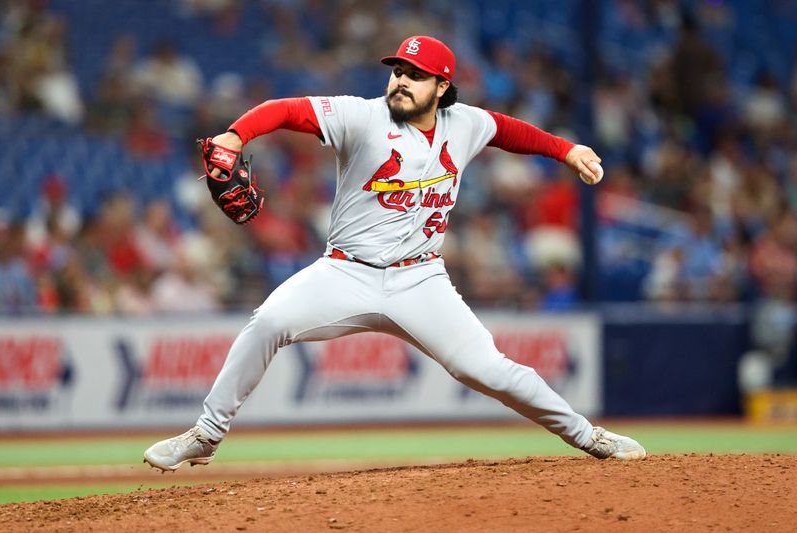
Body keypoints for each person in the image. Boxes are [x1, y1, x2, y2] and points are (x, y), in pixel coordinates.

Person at [143, 35, 645, 471]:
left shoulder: (465, 123)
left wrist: (567, 150)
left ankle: (588, 436)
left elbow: (512, 131)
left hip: (421, 280)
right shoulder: (361, 116)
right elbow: (288, 110)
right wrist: (235, 135)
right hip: (345, 273)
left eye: (416, 75)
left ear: (442, 87)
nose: (401, 81)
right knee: (268, 322)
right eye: (398, 71)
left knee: (488, 370)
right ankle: (206, 434)